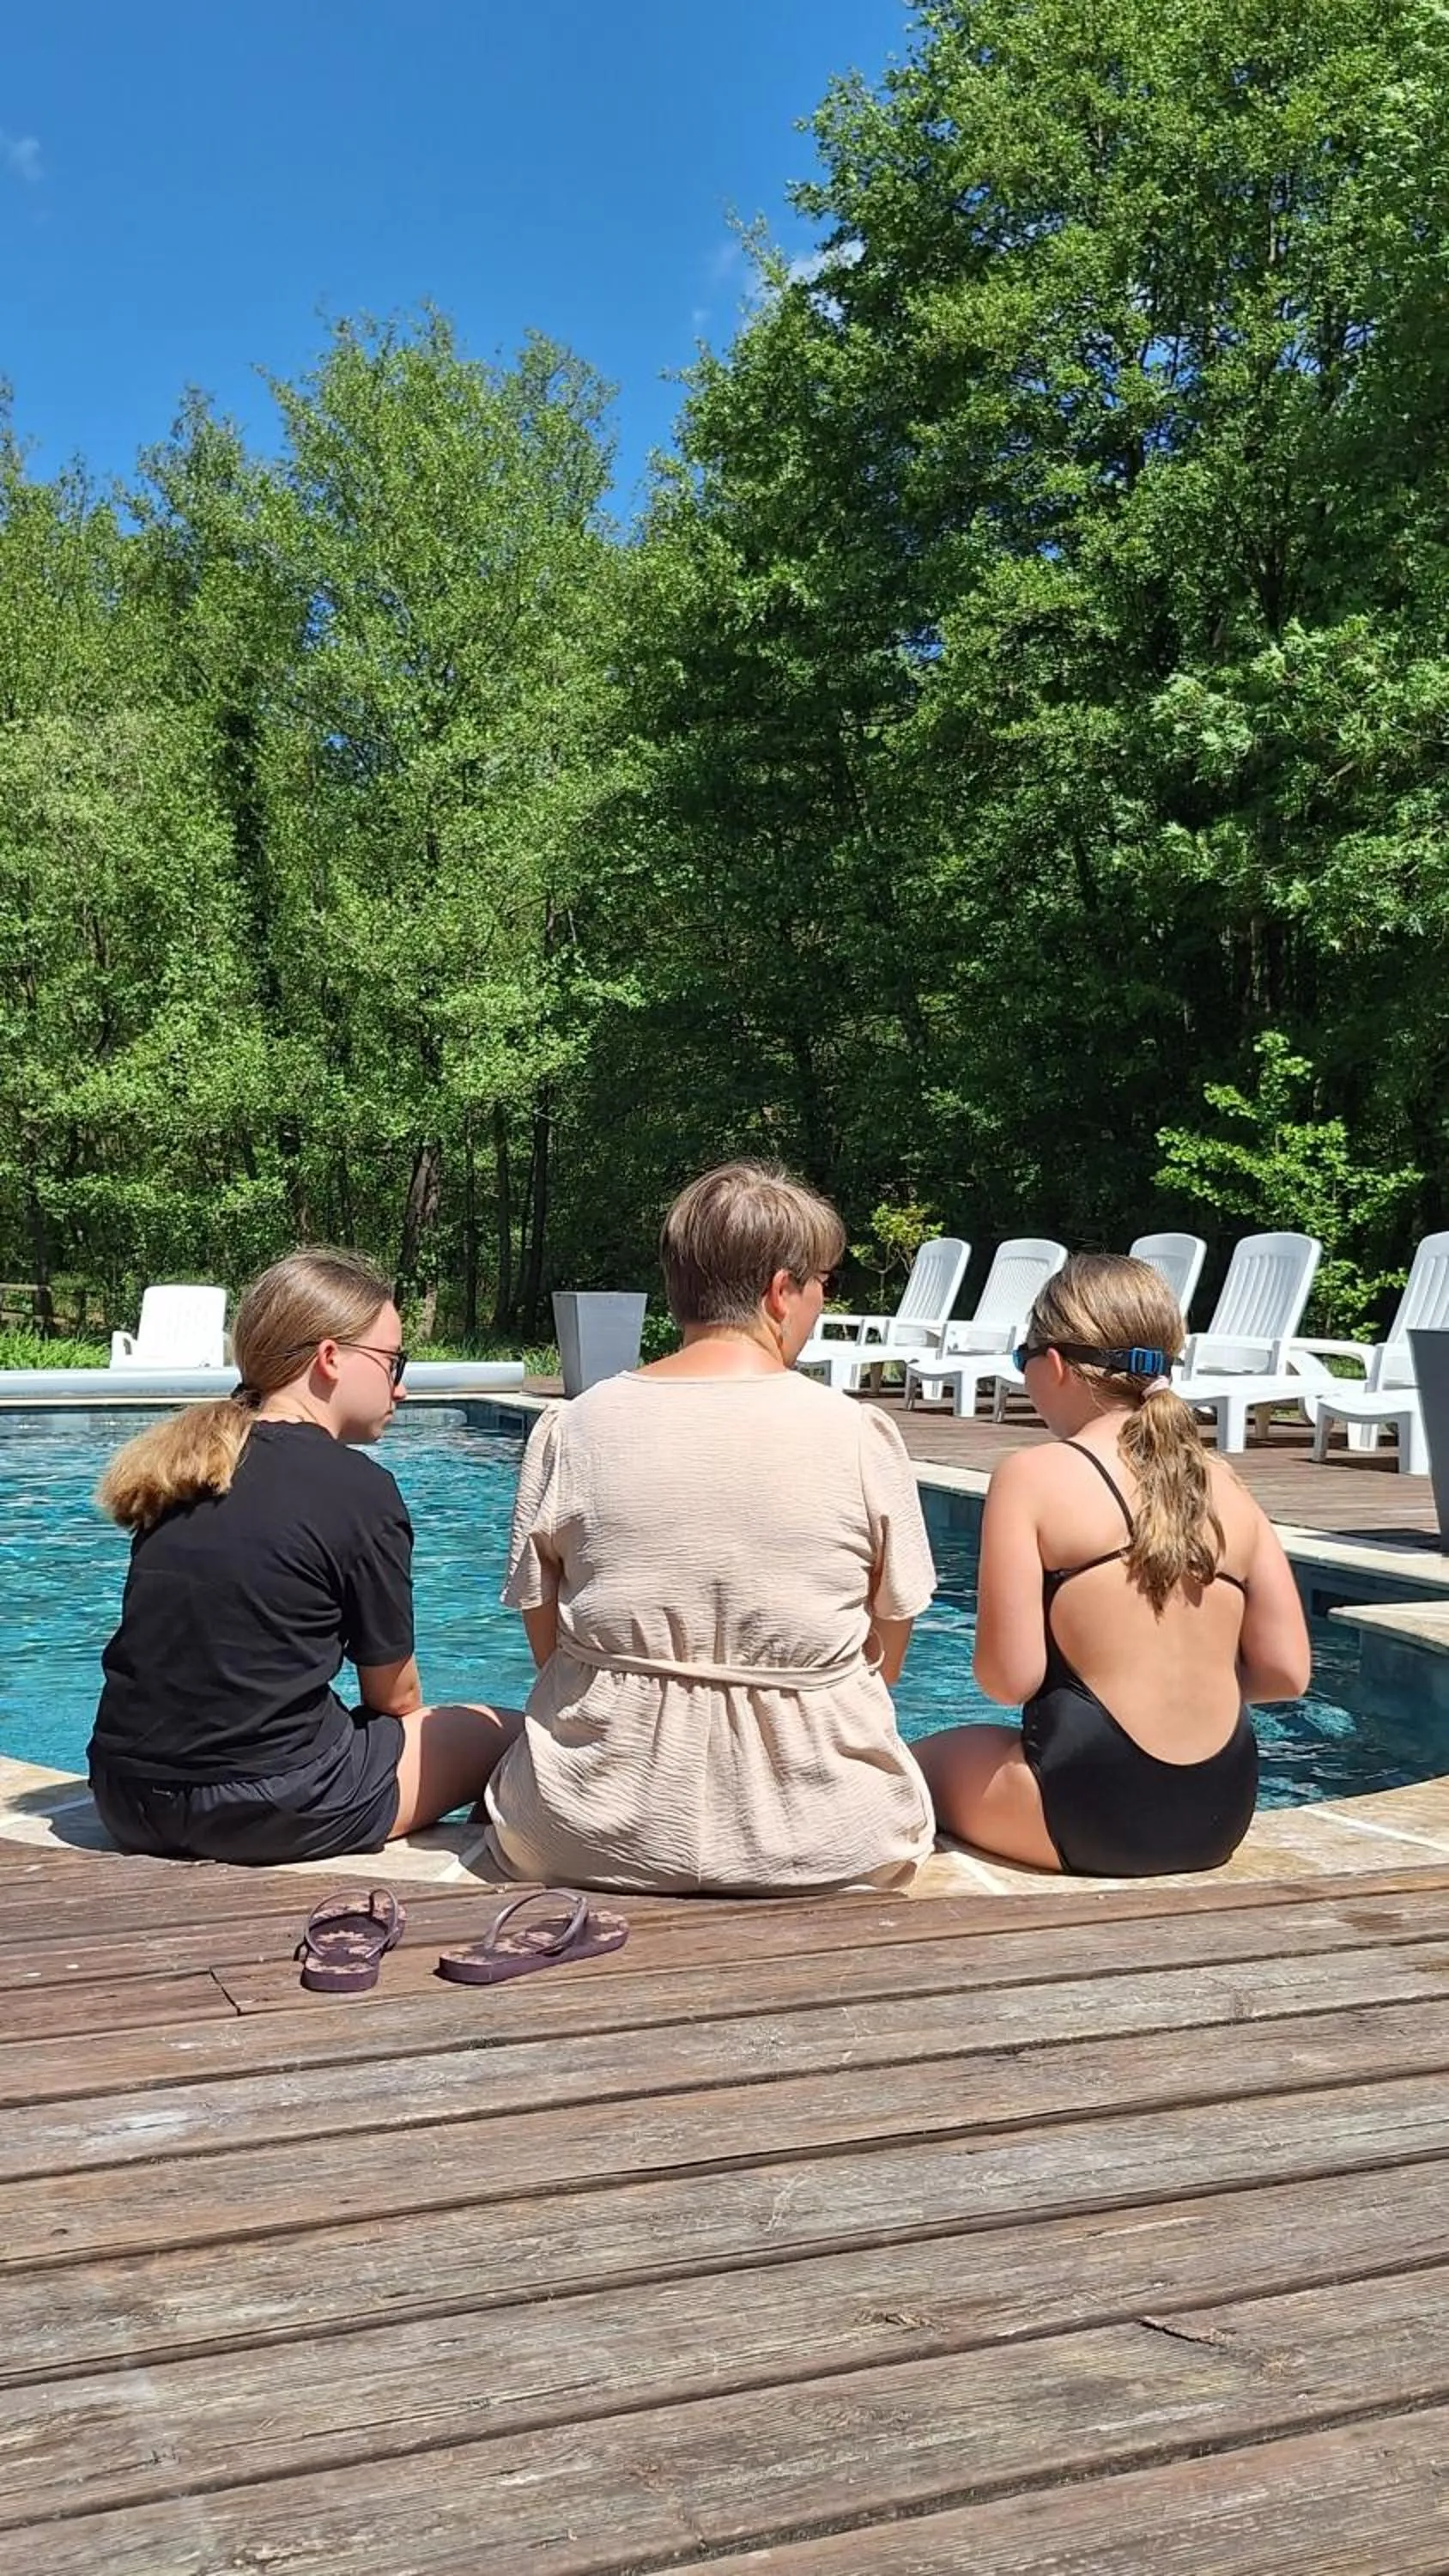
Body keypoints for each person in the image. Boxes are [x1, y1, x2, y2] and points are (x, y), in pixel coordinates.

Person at [483, 1160, 938, 1893]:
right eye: (825, 1281)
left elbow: (547, 1641)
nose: (824, 1300)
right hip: (826, 1833)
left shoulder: (574, 1428)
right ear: (780, 1290)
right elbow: (890, 1645)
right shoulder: (857, 1434)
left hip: (587, 1827)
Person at [88, 1249, 520, 1864]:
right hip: (268, 1809)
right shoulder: (359, 1490)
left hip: (125, 1799)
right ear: (330, 1358)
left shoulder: (182, 1473)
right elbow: (394, 1700)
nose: (401, 1384)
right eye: (394, 1360)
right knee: (513, 1735)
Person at [914, 1252, 1312, 1876]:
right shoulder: (1226, 1483)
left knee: (903, 1767)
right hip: (1220, 1813)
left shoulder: (1033, 1476)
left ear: (1053, 1365)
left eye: (1023, 1361)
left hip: (1087, 1814)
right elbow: (1287, 1674)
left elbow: (1008, 1679)